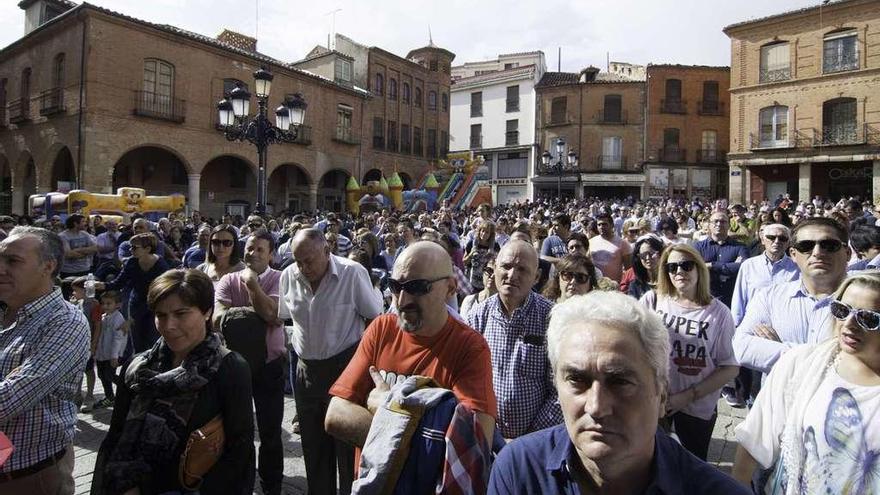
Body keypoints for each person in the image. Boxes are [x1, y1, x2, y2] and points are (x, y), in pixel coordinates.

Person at [487, 292, 748, 494]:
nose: (596, 407)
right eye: (577, 380)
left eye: (620, 381)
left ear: (662, 395)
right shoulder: (519, 470)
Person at [325, 241, 497, 468]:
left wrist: (389, 408)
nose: (403, 301)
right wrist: (423, 433)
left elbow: (471, 446)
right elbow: (336, 415)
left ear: (451, 288)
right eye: (395, 286)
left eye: (417, 288)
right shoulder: (382, 329)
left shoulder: (470, 348)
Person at [91, 269, 255, 494]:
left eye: (181, 313)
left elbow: (239, 452)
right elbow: (116, 436)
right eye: (161, 315)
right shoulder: (138, 367)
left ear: (207, 312)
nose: (169, 326)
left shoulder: (229, 369)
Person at [733, 271, 880, 494]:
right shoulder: (801, 363)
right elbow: (754, 440)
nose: (849, 324)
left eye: (868, 318)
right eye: (842, 310)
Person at [278, 228, 383, 495]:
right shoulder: (289, 276)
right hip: (306, 372)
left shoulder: (352, 274)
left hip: (346, 371)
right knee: (314, 449)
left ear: (327, 251)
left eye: (309, 261)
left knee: (348, 451)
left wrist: (364, 368)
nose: (303, 268)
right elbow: (285, 317)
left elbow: (374, 319)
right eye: (298, 261)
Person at [0, 227, 90, 493]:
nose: (1, 268)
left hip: (30, 477)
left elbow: (8, 400)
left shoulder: (66, 322)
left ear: (47, 266)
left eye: (13, 261)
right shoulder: (6, 311)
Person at [640, 244, 740, 460]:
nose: (679, 272)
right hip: (654, 403)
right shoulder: (652, 301)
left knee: (690, 468)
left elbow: (730, 367)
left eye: (686, 265)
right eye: (672, 267)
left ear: (699, 269)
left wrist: (687, 396)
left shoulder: (719, 314)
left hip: (696, 408)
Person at [466, 240, 562, 440]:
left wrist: (526, 442)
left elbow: (559, 392)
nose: (512, 275)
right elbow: (467, 380)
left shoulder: (551, 318)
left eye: (522, 269)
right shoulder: (478, 316)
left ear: (536, 277)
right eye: (506, 267)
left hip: (536, 443)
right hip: (486, 437)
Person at [214, 229, 285, 495]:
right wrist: (252, 317)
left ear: (271, 255)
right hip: (234, 367)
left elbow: (272, 314)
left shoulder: (280, 279)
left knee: (270, 433)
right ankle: (241, 484)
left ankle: (272, 486)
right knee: (238, 432)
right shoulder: (227, 280)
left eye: (260, 250)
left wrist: (252, 285)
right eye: (250, 248)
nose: (252, 253)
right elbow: (217, 320)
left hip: (269, 367)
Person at [734, 217, 851, 376]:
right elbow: (741, 346)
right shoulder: (770, 296)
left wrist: (778, 350)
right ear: (793, 254)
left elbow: (865, 359)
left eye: (829, 245)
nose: (817, 252)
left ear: (848, 253)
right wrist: (825, 357)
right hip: (780, 398)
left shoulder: (866, 300)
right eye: (806, 246)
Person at [97, 233, 170, 353]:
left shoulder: (161, 265)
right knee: (137, 341)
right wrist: (103, 285)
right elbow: (119, 282)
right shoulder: (132, 262)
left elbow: (166, 288)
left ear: (147, 249)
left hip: (155, 305)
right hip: (136, 304)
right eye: (131, 247)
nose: (131, 250)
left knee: (153, 339)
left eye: (134, 247)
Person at [693, 211, 749, 308]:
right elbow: (695, 269)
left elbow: (744, 267)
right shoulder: (698, 247)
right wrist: (731, 266)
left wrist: (711, 265)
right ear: (710, 225)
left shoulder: (740, 247)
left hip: (731, 300)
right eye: (715, 221)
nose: (719, 224)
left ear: (729, 225)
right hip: (704, 299)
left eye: (723, 222)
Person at [92, 290, 128, 409]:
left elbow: (118, 339)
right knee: (102, 375)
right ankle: (109, 397)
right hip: (102, 353)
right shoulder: (104, 317)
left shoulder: (118, 318)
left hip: (112, 354)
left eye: (109, 304)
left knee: (109, 375)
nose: (105, 306)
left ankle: (127, 390)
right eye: (103, 303)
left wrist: (114, 356)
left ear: (117, 305)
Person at [589, 212, 632, 283]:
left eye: (604, 224)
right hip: (595, 285)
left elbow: (629, 270)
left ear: (612, 225)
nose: (601, 227)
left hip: (615, 287)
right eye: (599, 225)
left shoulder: (623, 243)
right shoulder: (591, 242)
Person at [619, 234, 664, 299]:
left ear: (660, 253)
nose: (648, 258)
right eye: (643, 255)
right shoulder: (635, 284)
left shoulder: (669, 280)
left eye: (652, 253)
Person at [59, 213, 98, 280]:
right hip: (69, 271)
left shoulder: (85, 234)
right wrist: (87, 252)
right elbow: (69, 254)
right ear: (75, 223)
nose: (85, 223)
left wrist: (78, 250)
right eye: (83, 221)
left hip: (85, 269)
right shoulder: (63, 236)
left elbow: (95, 248)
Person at [464, 220, 499, 293]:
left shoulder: (495, 246)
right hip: (472, 283)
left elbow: (498, 265)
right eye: (482, 231)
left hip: (486, 285)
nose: (483, 234)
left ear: (491, 234)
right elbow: (464, 262)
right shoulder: (471, 244)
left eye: (487, 232)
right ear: (479, 231)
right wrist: (471, 254)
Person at [460, 252, 497, 317]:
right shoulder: (469, 301)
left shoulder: (505, 306)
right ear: (482, 272)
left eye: (496, 273)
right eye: (489, 270)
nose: (492, 276)